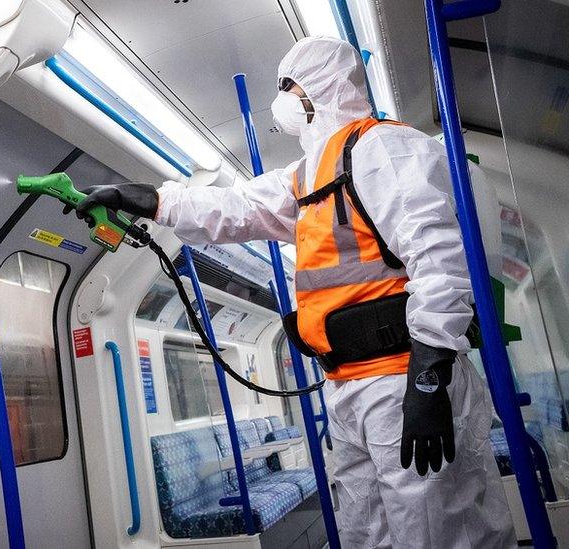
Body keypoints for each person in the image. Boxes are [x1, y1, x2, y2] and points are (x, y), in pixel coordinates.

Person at [78, 36, 514, 548]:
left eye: (285, 86)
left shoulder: (381, 149)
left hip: (402, 376)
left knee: (437, 532)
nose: (280, 101)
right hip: (348, 385)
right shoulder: (309, 175)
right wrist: (145, 199)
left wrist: (428, 378)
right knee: (365, 533)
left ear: (313, 89)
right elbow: (234, 208)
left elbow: (440, 260)